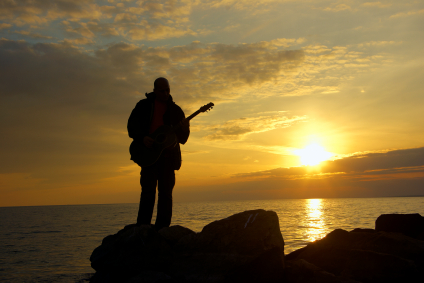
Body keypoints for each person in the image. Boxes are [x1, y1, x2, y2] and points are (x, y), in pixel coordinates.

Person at [127, 77, 190, 230]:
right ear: (154, 90)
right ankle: (143, 227)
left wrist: (185, 128)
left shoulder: (176, 110)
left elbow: (183, 139)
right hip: (149, 156)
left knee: (166, 194)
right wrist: (143, 138)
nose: (166, 93)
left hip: (168, 158)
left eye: (168, 90)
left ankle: (162, 229)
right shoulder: (143, 106)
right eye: (162, 90)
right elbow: (131, 126)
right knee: (148, 192)